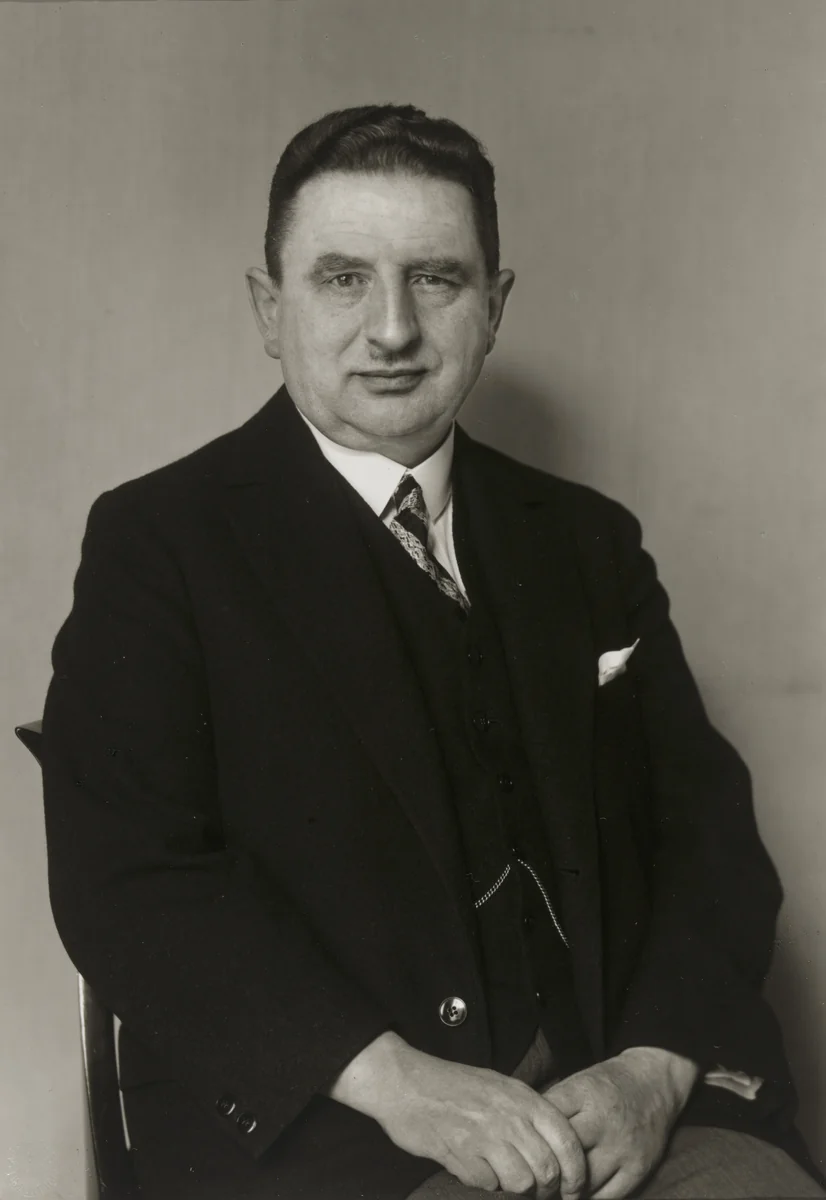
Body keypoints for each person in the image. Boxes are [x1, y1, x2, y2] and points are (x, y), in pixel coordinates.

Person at [40, 104, 823, 1200]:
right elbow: (128, 882)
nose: (394, 329)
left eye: (437, 280)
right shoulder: (161, 543)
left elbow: (707, 838)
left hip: (618, 1117)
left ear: (495, 307)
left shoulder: (587, 541)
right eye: (343, 279)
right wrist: (398, 1084)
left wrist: (653, 1069)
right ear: (271, 310)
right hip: (341, 1137)